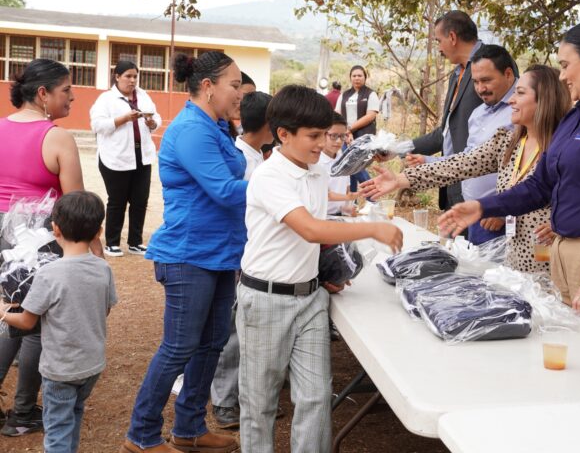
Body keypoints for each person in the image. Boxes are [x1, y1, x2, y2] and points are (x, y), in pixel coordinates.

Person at [439, 21, 580, 354]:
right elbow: (540, 184)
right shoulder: (577, 115)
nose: (562, 76)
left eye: (565, 65)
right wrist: (483, 207)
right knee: (577, 362)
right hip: (569, 260)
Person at [237, 85, 403, 453]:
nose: (321, 144)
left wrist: (331, 272)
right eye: (313, 136)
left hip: (311, 297)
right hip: (266, 300)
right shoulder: (270, 177)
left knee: (315, 397)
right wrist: (372, 229)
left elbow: (317, 234)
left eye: (324, 135)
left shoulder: (314, 171)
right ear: (284, 134)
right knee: (260, 403)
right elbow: (310, 229)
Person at [121, 51, 245, 453]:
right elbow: (225, 190)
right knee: (178, 347)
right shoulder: (192, 129)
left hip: (220, 253)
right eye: (234, 84)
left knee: (211, 344)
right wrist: (278, 184)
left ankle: (190, 429)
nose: (240, 93)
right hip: (188, 255)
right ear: (208, 87)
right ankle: (141, 435)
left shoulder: (216, 127)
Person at [362, 65, 569, 271]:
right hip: (515, 264)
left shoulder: (565, 149)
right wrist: (400, 179)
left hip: (553, 267)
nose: (511, 100)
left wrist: (563, 225)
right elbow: (459, 165)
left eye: (520, 93)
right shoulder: (507, 143)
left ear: (545, 99)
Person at [0, 58, 103, 437]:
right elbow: (75, 203)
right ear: (43, 93)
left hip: (4, 236)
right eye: (66, 90)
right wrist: (96, 251)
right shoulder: (56, 137)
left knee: (13, 315)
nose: (72, 97)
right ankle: (24, 411)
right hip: (40, 239)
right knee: (38, 325)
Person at [1, 191, 117, 453]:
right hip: (92, 364)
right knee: (73, 415)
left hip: (60, 369)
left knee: (56, 431)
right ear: (98, 231)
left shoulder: (48, 274)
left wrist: (3, 312)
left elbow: (27, 322)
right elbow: (105, 309)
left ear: (55, 229)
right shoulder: (103, 268)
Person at [210, 90, 273, 430]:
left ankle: (246, 398)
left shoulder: (258, 156)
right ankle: (224, 401)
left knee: (250, 331)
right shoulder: (240, 160)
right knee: (233, 332)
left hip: (254, 254)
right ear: (268, 124)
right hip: (240, 254)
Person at [421, 44, 519, 244]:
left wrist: (504, 210)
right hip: (475, 216)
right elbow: (469, 159)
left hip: (500, 221)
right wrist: (427, 161)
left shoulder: (521, 110)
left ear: (508, 74)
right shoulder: (478, 113)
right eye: (476, 82)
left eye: (487, 80)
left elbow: (530, 169)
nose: (480, 89)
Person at [410, 11, 484, 211]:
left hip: (480, 191)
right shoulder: (457, 74)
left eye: (438, 41)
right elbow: (446, 132)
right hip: (453, 185)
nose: (439, 48)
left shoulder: (492, 62)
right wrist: (399, 148)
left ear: (452, 37)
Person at [90, 60, 161, 257]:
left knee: (140, 201)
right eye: (128, 76)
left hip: (142, 157)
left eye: (135, 76)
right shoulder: (106, 99)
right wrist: (123, 119)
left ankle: (135, 242)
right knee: (117, 201)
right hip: (115, 158)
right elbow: (97, 125)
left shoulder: (143, 96)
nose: (132, 80)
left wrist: (152, 123)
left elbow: (156, 117)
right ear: (117, 77)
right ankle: (112, 243)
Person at [335, 65, 379, 192]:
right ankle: (352, 199)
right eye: (354, 76)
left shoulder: (370, 94)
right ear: (350, 78)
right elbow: (337, 114)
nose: (357, 78)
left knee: (354, 165)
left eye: (360, 75)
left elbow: (370, 116)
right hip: (345, 136)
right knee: (349, 169)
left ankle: (372, 197)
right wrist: (345, 132)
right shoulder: (344, 95)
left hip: (364, 137)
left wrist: (349, 129)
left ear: (365, 77)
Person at [317, 113, 356, 216]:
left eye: (342, 136)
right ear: (322, 134)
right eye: (333, 136)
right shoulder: (316, 162)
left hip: (340, 215)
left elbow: (347, 188)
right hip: (322, 217)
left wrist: (348, 208)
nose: (338, 141)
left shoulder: (342, 158)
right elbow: (324, 194)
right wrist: (349, 197)